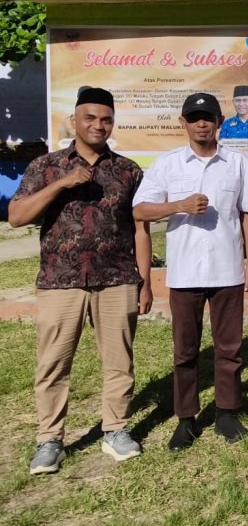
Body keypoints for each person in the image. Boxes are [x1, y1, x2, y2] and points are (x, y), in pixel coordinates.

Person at [10, 87, 152, 475]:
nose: (98, 125)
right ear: (74, 121)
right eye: (90, 118)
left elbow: (140, 228)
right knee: (54, 363)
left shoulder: (128, 170)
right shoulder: (46, 166)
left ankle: (116, 429)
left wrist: (145, 281)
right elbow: (17, 216)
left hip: (117, 278)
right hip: (61, 279)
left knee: (119, 361)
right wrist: (62, 183)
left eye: (106, 119)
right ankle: (49, 439)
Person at [132, 92, 248, 450]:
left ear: (220, 122)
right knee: (185, 350)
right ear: (183, 123)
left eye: (208, 117)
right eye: (194, 118)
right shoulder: (167, 164)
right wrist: (179, 205)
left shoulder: (237, 162)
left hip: (227, 270)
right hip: (185, 272)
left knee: (230, 347)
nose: (201, 124)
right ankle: (186, 418)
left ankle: (226, 412)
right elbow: (140, 210)